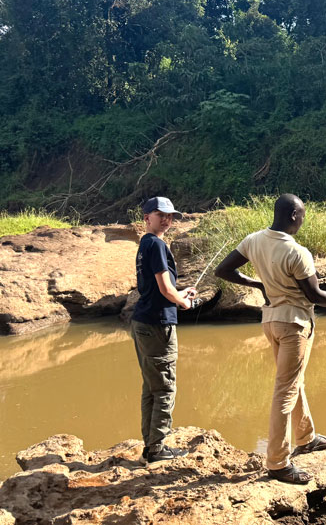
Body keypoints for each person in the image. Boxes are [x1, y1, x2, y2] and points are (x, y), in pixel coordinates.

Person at [214, 193, 326, 484]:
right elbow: (315, 296)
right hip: (294, 326)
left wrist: (257, 283)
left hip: (271, 321)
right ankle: (277, 463)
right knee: (284, 391)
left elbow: (223, 270)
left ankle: (306, 437)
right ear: (295, 216)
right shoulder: (297, 252)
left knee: (293, 382)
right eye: (303, 216)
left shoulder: (254, 240)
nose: (303, 220)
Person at [130, 196, 197, 463]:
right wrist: (183, 301)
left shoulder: (145, 244)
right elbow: (165, 289)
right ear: (147, 218)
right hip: (158, 324)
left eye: (170, 215)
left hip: (143, 321)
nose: (167, 219)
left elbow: (161, 288)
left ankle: (151, 444)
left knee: (151, 386)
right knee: (165, 388)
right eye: (161, 215)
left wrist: (181, 294)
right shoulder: (156, 244)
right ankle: (156, 449)